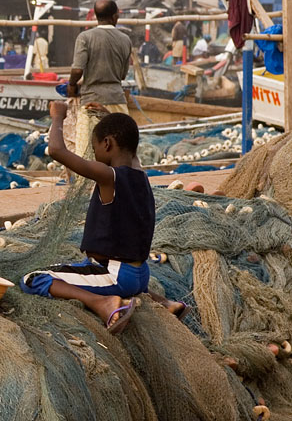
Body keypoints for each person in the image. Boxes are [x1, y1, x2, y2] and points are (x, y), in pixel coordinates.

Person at [21, 102, 186, 333]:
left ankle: (102, 303)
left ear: (107, 143)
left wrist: (58, 116)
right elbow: (127, 142)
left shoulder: (109, 177)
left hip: (114, 275)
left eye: (95, 147)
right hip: (140, 276)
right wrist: (108, 117)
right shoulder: (141, 175)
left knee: (33, 278)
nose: (94, 154)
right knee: (81, 267)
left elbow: (57, 150)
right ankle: (165, 303)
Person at [65, 0, 132, 157]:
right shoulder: (125, 39)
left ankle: (88, 182)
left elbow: (77, 70)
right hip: (116, 100)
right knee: (122, 148)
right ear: (115, 16)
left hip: (91, 101)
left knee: (87, 152)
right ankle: (121, 181)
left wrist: (72, 85)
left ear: (96, 16)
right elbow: (122, 75)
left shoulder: (85, 37)